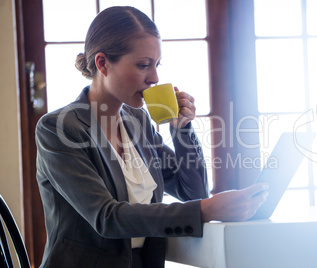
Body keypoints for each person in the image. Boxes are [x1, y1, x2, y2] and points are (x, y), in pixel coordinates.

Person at [35, 6, 268, 268]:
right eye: (143, 65)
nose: (155, 78)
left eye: (157, 65)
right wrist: (206, 210)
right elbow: (107, 218)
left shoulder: (138, 122)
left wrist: (181, 130)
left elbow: (192, 191)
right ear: (102, 63)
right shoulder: (59, 129)